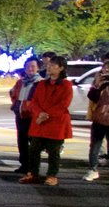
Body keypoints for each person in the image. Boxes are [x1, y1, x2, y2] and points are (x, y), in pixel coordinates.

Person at [20, 57, 73, 186]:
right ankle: (33, 173)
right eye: (48, 65)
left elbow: (63, 104)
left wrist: (46, 115)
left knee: (54, 151)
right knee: (34, 149)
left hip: (55, 122)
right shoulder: (42, 83)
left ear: (61, 68)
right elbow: (34, 102)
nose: (49, 67)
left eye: (53, 65)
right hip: (39, 121)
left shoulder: (66, 85)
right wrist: (39, 113)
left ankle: (52, 175)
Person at [9, 57, 42, 176]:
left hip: (32, 116)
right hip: (20, 114)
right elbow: (14, 94)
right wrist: (15, 105)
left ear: (38, 67)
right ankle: (24, 164)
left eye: (33, 66)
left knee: (33, 142)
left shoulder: (40, 82)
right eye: (28, 66)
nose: (30, 69)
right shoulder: (21, 82)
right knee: (21, 140)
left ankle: (33, 167)